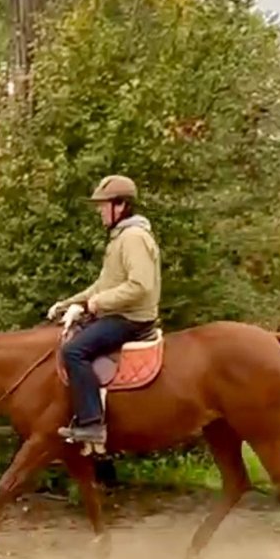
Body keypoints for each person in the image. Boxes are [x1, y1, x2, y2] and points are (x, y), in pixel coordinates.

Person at [47, 174, 161, 444]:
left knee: (73, 351)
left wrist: (94, 304)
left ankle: (92, 423)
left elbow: (140, 286)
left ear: (120, 206)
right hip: (119, 313)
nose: (99, 211)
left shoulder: (133, 237)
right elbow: (102, 285)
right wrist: (68, 304)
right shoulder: (119, 238)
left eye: (103, 205)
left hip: (131, 318)